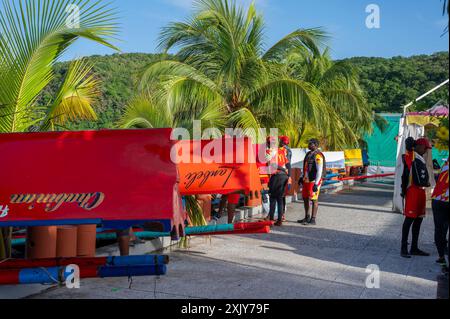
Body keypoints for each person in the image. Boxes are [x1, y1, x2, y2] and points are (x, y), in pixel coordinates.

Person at [400, 137, 432, 258]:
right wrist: (411, 145)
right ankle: (403, 248)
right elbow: (408, 143)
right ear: (418, 146)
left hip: (421, 192)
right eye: (424, 147)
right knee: (409, 220)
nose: (425, 150)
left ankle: (414, 247)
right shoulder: (411, 155)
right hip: (412, 191)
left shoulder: (420, 158)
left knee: (419, 220)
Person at [298, 139, 326, 226]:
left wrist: (316, 184)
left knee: (314, 199)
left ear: (315, 145)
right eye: (309, 143)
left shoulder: (318, 155)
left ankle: (313, 219)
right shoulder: (308, 154)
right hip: (306, 179)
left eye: (310, 144)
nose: (309, 145)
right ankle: (307, 217)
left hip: (314, 180)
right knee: (305, 198)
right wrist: (301, 177)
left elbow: (319, 171)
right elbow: (305, 167)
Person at [432, 159, 449, 273]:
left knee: (439, 229)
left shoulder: (446, 164)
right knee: (443, 229)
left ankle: (441, 257)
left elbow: (438, 178)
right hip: (446, 201)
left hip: (437, 199)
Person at [280, 136, 293, 219]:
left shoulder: (284, 150)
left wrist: (289, 176)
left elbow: (287, 163)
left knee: (281, 195)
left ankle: (282, 214)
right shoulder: (289, 150)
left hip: (283, 173)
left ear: (282, 142)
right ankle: (282, 213)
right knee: (282, 194)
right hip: (286, 173)